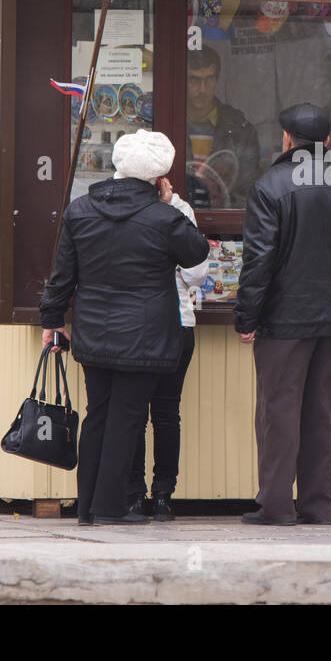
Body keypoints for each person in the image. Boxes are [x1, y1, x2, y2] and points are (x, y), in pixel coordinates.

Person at [39, 130, 209, 526]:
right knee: (128, 417)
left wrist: (51, 322)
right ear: (157, 176)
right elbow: (197, 252)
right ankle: (112, 506)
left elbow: (61, 276)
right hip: (146, 334)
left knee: (98, 412)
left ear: (117, 165)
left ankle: (87, 506)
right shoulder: (164, 217)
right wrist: (168, 207)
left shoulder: (80, 211)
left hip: (93, 329)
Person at [234, 103, 331, 525]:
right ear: (328, 142)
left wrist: (247, 318)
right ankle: (318, 505)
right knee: (324, 412)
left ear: (286, 139)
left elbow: (258, 262)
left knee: (279, 411)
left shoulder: (269, 185)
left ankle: (276, 507)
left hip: (282, 320)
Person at [125, 188, 210, 521]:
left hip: (148, 324)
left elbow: (195, 275)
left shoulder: (165, 207)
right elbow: (194, 273)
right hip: (173, 321)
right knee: (163, 413)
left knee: (142, 413)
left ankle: (139, 495)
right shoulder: (179, 210)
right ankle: (160, 496)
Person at [185, 46, 261, 209]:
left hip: (223, 227)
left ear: (217, 80)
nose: (202, 89)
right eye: (194, 80)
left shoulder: (241, 130)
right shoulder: (171, 124)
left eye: (210, 79)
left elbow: (246, 192)